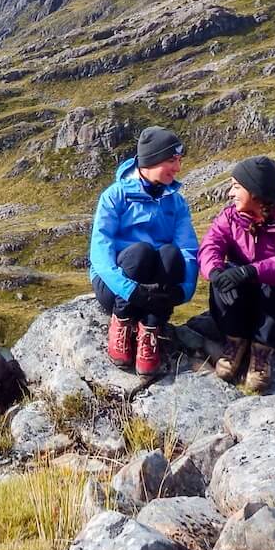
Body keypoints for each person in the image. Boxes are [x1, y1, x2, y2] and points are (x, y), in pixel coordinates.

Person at [89, 126, 200, 376]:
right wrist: (130, 291)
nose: (178, 168)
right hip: (117, 287)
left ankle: (151, 330)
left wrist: (184, 290)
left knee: (171, 254)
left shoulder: (177, 202)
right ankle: (123, 322)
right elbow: (100, 253)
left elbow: (188, 249)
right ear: (153, 160)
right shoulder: (114, 196)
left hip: (156, 291)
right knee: (140, 252)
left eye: (179, 161)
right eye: (172, 161)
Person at [197, 155, 275, 393]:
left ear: (256, 193)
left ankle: (261, 353)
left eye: (237, 187)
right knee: (225, 274)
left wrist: (250, 271)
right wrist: (214, 270)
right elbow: (211, 245)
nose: (230, 193)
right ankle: (235, 343)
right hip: (238, 312)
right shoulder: (230, 217)